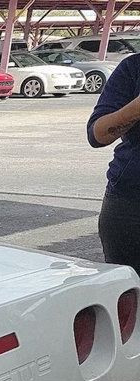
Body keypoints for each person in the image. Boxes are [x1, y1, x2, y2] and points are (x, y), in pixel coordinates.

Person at [88, 53, 140, 270]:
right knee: (130, 289)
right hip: (130, 203)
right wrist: (136, 108)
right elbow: (97, 135)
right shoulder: (133, 67)